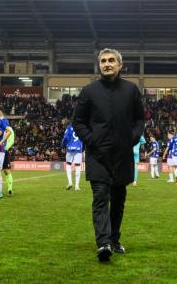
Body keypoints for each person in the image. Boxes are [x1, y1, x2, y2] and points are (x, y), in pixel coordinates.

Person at [72, 48, 145, 262]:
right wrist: (92, 140)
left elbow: (140, 119)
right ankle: (103, 243)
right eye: (103, 61)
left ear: (120, 65)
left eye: (111, 60)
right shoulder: (89, 91)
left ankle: (114, 239)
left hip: (122, 155)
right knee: (100, 197)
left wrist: (131, 138)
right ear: (99, 65)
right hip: (97, 155)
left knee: (119, 200)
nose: (107, 64)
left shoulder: (131, 90)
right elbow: (78, 121)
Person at [0, 106, 13, 198]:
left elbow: (7, 133)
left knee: (0, 170)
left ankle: (0, 191)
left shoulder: (4, 121)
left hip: (1, 148)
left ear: (0, 112)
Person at [61, 121, 84, 191]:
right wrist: (82, 148)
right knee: (78, 166)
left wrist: (62, 146)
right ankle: (77, 186)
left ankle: (70, 182)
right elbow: (84, 138)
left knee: (68, 164)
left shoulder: (69, 127)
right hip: (78, 148)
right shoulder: (81, 127)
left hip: (70, 148)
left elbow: (65, 138)